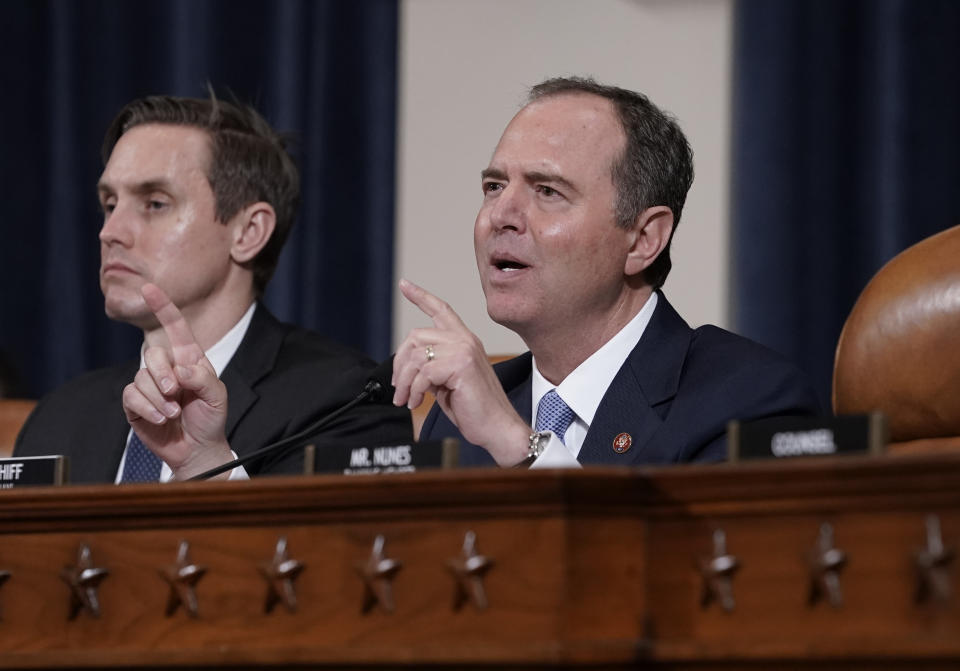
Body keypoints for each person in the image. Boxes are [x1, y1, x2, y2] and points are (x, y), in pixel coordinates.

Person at [392, 77, 820, 468]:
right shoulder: (459, 419)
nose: (500, 215)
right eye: (494, 187)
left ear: (643, 240)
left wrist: (520, 446)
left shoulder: (747, 401)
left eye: (547, 191)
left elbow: (664, 553)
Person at [15, 94, 411, 483]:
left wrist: (211, 469)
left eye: (154, 203)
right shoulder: (59, 416)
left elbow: (329, 548)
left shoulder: (345, 403)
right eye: (110, 204)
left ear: (248, 232)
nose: (110, 232)